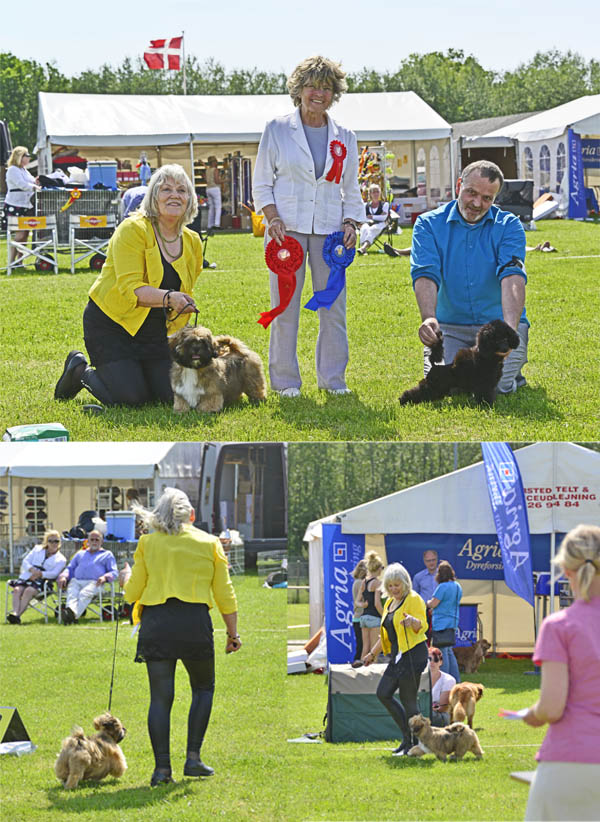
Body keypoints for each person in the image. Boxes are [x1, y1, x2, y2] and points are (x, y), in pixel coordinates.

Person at [252, 55, 365, 397]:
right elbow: (261, 182)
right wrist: (272, 218)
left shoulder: (346, 135)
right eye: (313, 86)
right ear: (299, 90)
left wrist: (350, 222)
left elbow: (351, 187)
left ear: (335, 94)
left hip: (331, 234)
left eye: (327, 88)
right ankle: (285, 382)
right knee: (285, 307)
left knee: (333, 309)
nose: (319, 93)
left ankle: (333, 381)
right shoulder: (276, 129)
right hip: (287, 232)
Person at [54, 164, 203, 407]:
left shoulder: (192, 241)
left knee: (169, 396)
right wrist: (171, 298)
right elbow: (131, 289)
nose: (175, 194)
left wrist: (181, 309)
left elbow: (187, 287)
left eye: (182, 190)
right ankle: (80, 371)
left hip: (153, 331)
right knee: (131, 399)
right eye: (166, 189)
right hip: (112, 325)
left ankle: (137, 372)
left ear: (190, 199)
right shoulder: (133, 229)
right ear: (153, 197)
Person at [122, 488, 240, 787]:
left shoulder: (147, 543)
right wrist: (232, 633)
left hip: (157, 624)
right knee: (203, 688)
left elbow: (132, 593)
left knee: (160, 699)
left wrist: (126, 578)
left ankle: (162, 770)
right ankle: (193, 758)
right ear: (192, 515)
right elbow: (225, 594)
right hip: (194, 624)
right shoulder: (210, 542)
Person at [410, 159, 529, 394]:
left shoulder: (510, 226)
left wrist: (509, 328)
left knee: (496, 388)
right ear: (458, 186)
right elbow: (425, 273)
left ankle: (513, 374)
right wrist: (429, 318)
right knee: (446, 386)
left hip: (496, 329)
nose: (477, 203)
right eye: (471, 193)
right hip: (450, 327)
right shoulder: (427, 224)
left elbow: (512, 276)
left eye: (487, 198)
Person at [522, 524, 600, 821]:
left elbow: (553, 707)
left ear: (567, 571)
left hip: (570, 762)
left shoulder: (559, 626)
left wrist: (534, 713)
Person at [362, 562, 428, 756]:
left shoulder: (413, 599)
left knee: (409, 701)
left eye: (396, 585)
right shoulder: (390, 602)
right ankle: (407, 739)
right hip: (397, 656)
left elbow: (422, 626)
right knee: (383, 693)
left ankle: (416, 744)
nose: (393, 589)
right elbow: (387, 635)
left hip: (413, 654)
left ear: (405, 583)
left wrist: (412, 622)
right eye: (389, 586)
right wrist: (372, 654)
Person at [56, 530, 118, 624]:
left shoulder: (107, 554)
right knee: (72, 594)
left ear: (102, 541)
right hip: (76, 581)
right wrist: (63, 576)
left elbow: (114, 571)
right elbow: (70, 568)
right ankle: (71, 615)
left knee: (84, 594)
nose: (94, 542)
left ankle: (71, 616)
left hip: (95, 582)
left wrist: (105, 577)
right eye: (92, 539)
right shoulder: (80, 553)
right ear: (87, 541)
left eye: (97, 540)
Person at [7, 530, 66, 624]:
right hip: (28, 576)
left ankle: (17, 616)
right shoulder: (37, 549)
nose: (54, 543)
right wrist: (32, 570)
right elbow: (25, 561)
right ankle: (15, 614)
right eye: (51, 541)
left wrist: (41, 574)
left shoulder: (61, 559)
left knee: (28, 591)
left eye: (56, 541)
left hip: (43, 582)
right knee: (17, 590)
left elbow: (54, 573)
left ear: (60, 542)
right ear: (46, 541)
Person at [2, 146, 41, 265]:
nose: (29, 158)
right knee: (19, 235)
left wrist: (37, 181)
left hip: (26, 205)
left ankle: (20, 261)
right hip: (15, 205)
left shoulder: (24, 170)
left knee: (24, 235)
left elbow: (30, 181)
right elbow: (21, 184)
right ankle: (12, 261)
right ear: (20, 157)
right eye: (26, 155)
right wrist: (34, 187)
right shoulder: (13, 170)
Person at [428, 560, 462, 682]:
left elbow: (433, 603)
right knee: (449, 652)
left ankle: (445, 679)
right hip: (452, 622)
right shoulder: (458, 586)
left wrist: (427, 603)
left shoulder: (442, 587)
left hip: (441, 623)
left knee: (442, 653)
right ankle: (456, 679)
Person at [356, 551, 385, 661]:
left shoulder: (364, 581)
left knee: (365, 648)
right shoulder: (377, 583)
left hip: (363, 618)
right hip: (374, 618)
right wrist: (384, 616)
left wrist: (363, 605)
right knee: (374, 651)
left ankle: (362, 673)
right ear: (378, 569)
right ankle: (372, 674)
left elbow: (357, 602)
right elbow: (377, 604)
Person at [357, 184, 395, 255]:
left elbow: (383, 217)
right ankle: (363, 248)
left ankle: (363, 248)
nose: (376, 194)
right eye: (373, 192)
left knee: (372, 229)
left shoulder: (384, 204)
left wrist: (372, 217)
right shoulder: (365, 205)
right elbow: (363, 217)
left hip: (382, 223)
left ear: (380, 193)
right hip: (368, 223)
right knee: (364, 228)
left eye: (377, 192)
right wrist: (375, 217)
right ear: (370, 194)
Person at [427, 645, 456, 726]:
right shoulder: (418, 678)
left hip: (440, 716)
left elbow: (443, 708)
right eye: (429, 660)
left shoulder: (448, 680)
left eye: (436, 660)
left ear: (441, 662)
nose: (432, 663)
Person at [351, 559, 367, 667]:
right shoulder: (361, 583)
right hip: (361, 617)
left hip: (357, 617)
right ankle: (357, 663)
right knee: (362, 645)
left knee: (360, 644)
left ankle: (357, 662)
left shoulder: (356, 582)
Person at [205, 156, 222, 231]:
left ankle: (209, 225)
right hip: (215, 188)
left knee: (211, 208)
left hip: (208, 189)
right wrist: (226, 180)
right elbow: (217, 181)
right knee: (218, 207)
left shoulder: (207, 170)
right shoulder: (215, 170)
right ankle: (217, 224)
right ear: (214, 162)